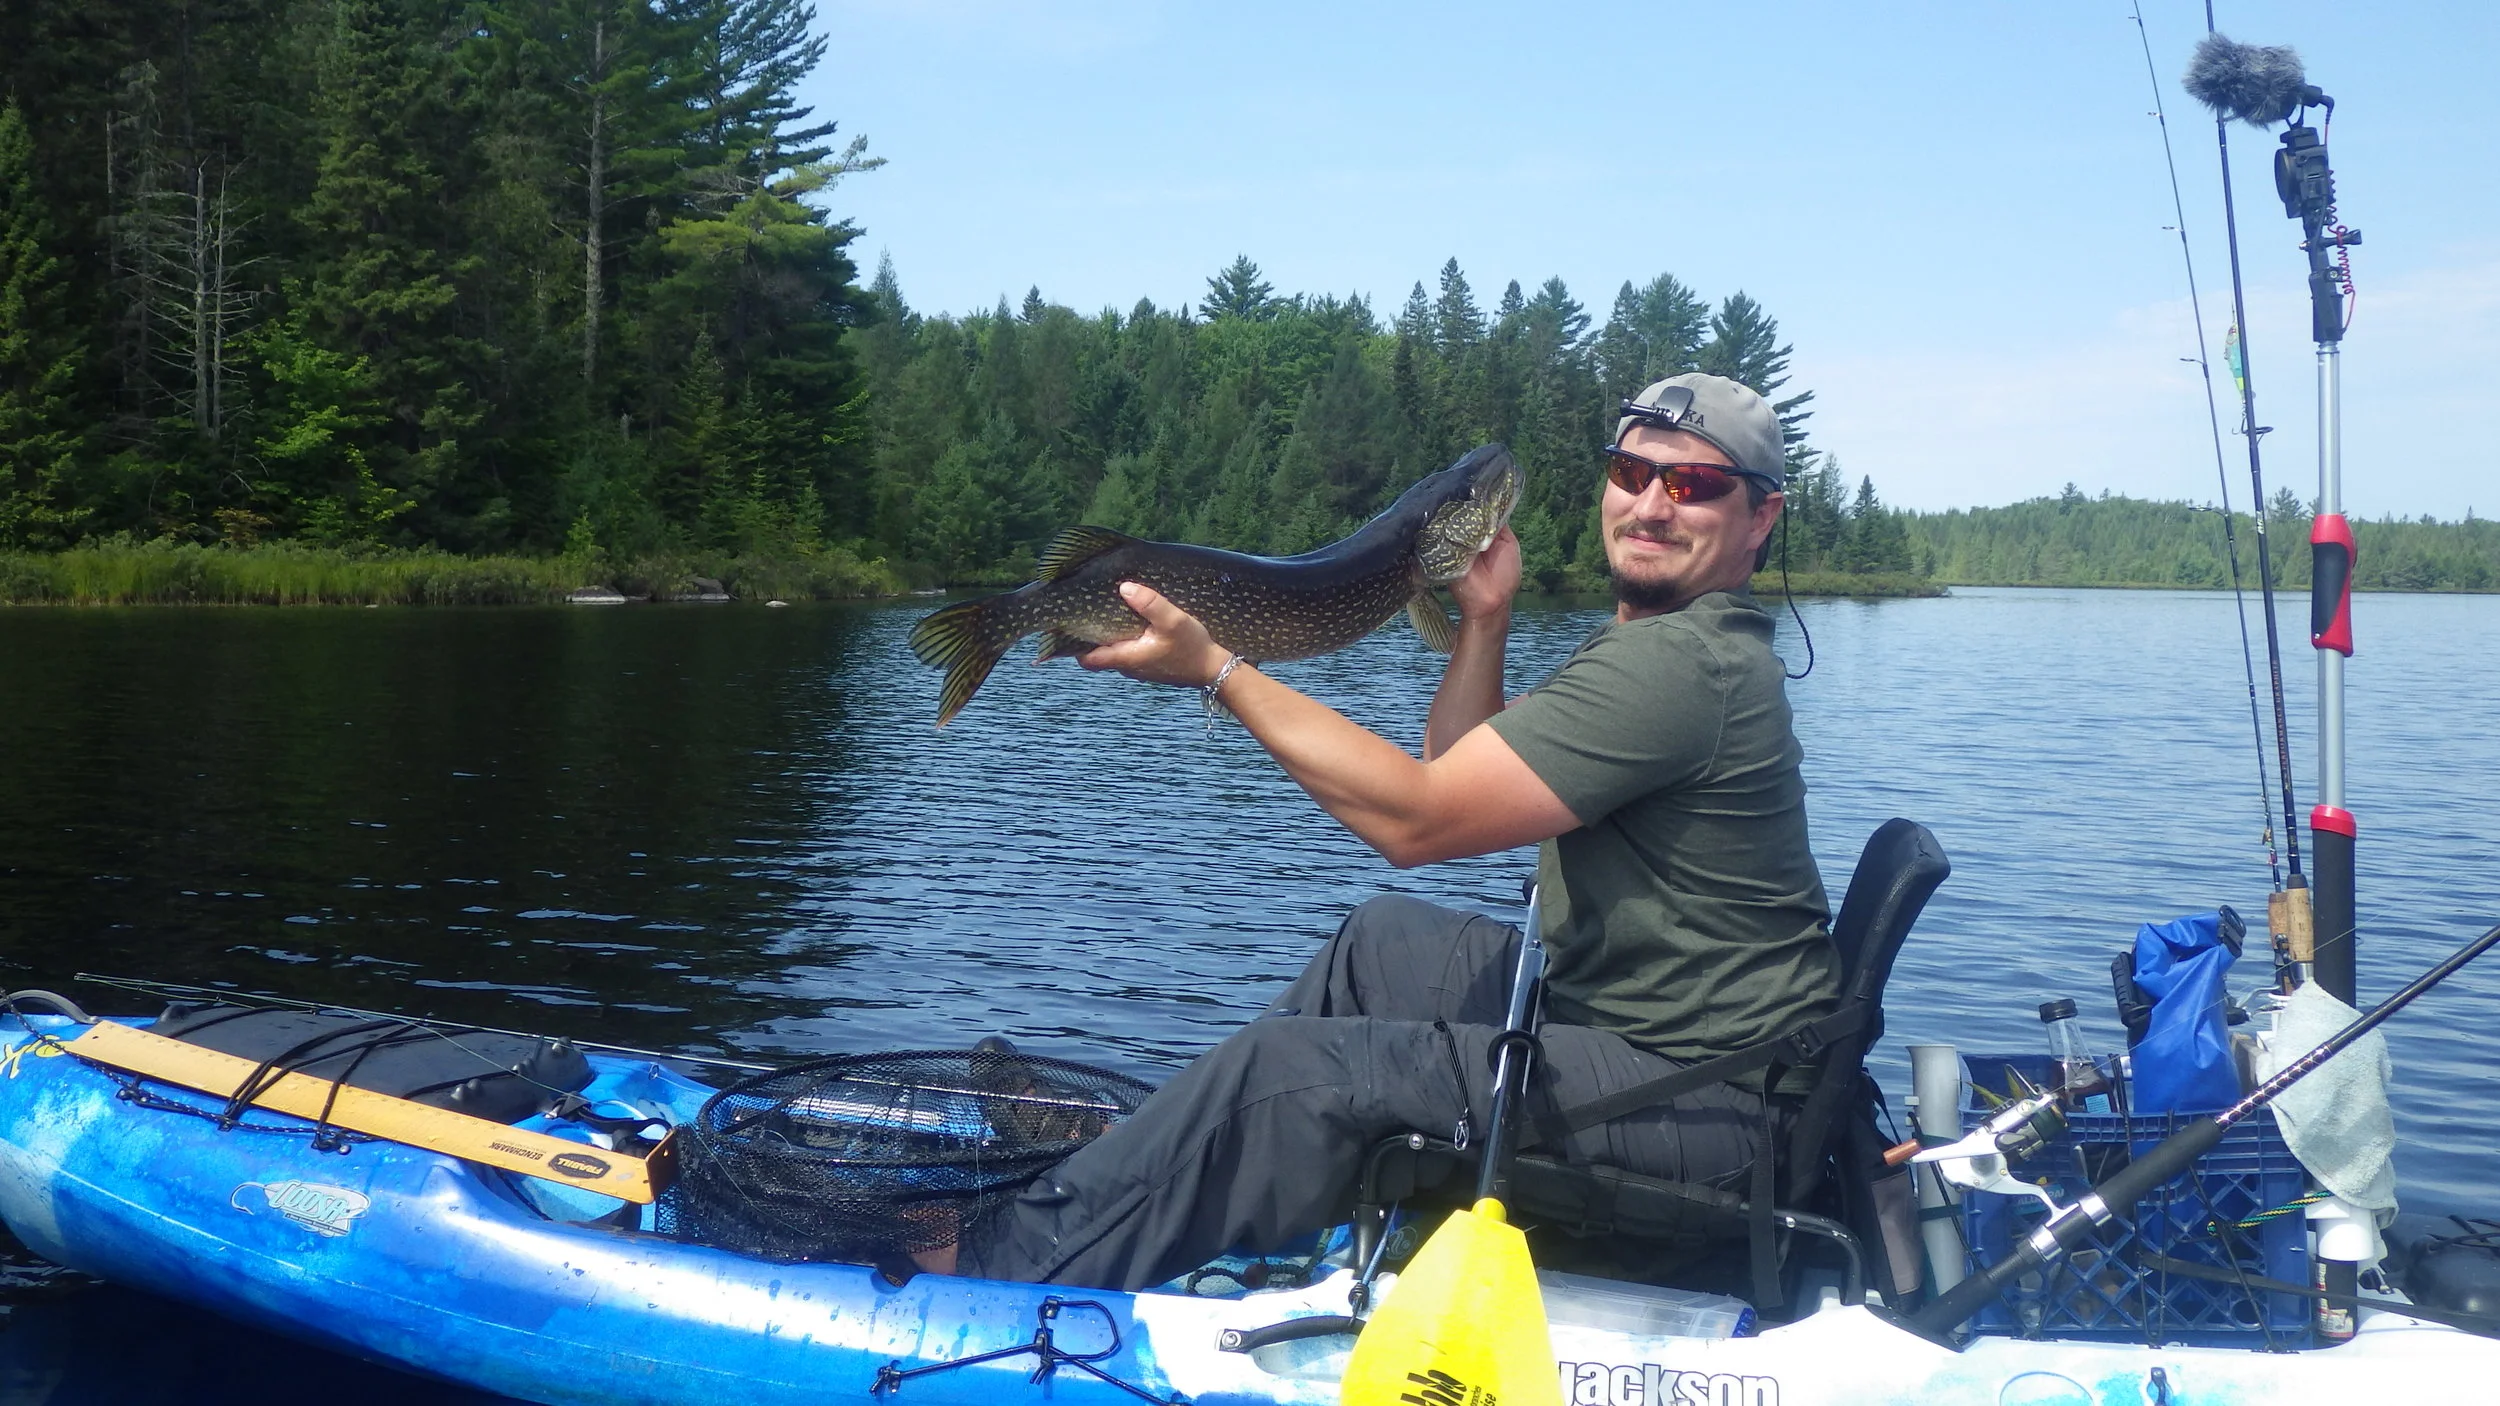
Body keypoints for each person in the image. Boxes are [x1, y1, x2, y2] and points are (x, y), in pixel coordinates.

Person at [951, 373, 1839, 1291]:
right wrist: (1485, 616)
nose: (1650, 505)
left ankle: (996, 1266)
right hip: (1640, 1041)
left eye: (1692, 485)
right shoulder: (1662, 647)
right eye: (1631, 472)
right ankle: (1150, 1171)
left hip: (1708, 1107)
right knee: (1379, 944)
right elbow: (1460, 764)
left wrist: (1217, 668)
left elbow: (1417, 820)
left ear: (1760, 517)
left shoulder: (1684, 666)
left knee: (1295, 1075)